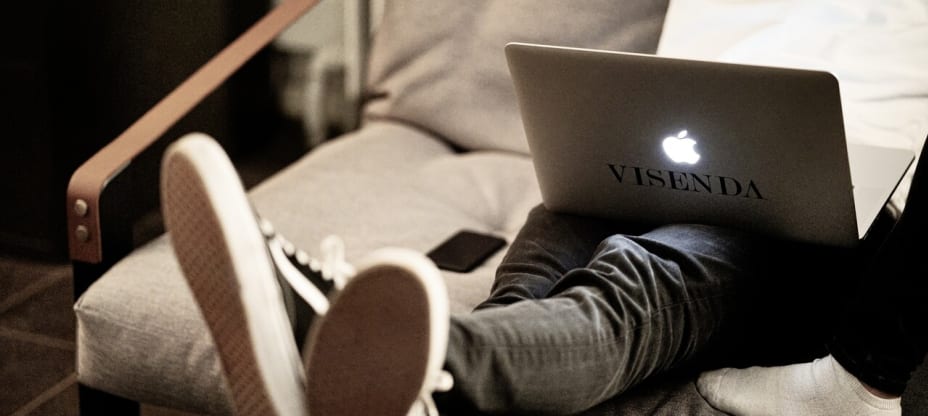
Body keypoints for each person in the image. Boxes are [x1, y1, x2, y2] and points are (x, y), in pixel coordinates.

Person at [160, 132, 926, 416]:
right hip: (711, 154)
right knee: (564, 212)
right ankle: (417, 386)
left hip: (848, 233)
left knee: (648, 270)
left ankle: (363, 344)